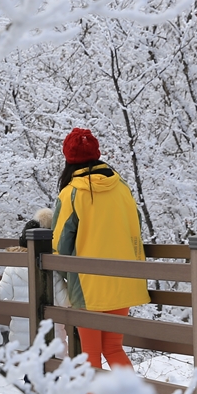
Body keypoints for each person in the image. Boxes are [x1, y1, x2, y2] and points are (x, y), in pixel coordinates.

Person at [52, 128, 148, 377]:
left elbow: (59, 246)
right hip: (125, 280)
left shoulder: (72, 193)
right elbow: (136, 226)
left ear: (68, 160)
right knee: (114, 348)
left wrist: (64, 275)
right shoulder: (122, 187)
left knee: (90, 354)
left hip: (88, 286)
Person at [0, 208, 68, 347]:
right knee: (51, 367)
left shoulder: (12, 268)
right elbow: (66, 302)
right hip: (51, 343)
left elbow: (0, 294)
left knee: (23, 368)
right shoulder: (52, 270)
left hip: (20, 343)